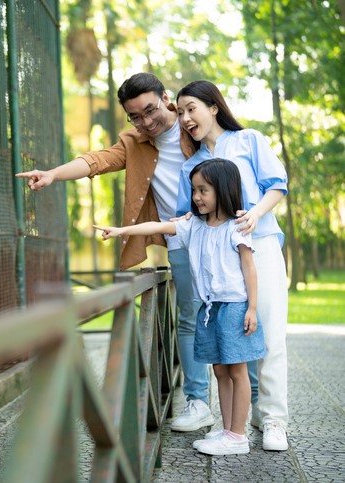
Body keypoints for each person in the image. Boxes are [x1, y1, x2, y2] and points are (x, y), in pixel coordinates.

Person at [16, 73, 214, 432]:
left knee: (240, 314)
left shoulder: (194, 126)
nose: (146, 122)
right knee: (190, 318)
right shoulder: (135, 142)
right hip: (182, 241)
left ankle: (257, 402)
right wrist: (53, 175)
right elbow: (97, 160)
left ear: (165, 97)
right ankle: (198, 402)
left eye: (150, 110)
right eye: (135, 116)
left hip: (221, 235)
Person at [95, 158, 265, 456]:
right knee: (220, 371)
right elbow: (158, 225)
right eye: (194, 190)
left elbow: (249, 269)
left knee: (237, 371)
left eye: (204, 190)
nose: (197, 196)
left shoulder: (238, 226)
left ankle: (238, 436)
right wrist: (122, 231)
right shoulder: (192, 226)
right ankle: (227, 431)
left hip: (235, 307)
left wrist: (252, 307)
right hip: (209, 309)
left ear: (223, 189)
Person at [176, 80, 289, 451]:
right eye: (180, 112)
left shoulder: (249, 140)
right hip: (219, 259)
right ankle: (232, 425)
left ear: (213, 107)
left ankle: (272, 419)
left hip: (262, 244)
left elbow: (277, 184)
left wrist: (254, 215)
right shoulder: (190, 165)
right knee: (228, 343)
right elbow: (187, 216)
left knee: (269, 334)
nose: (186, 118)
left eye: (191, 108)